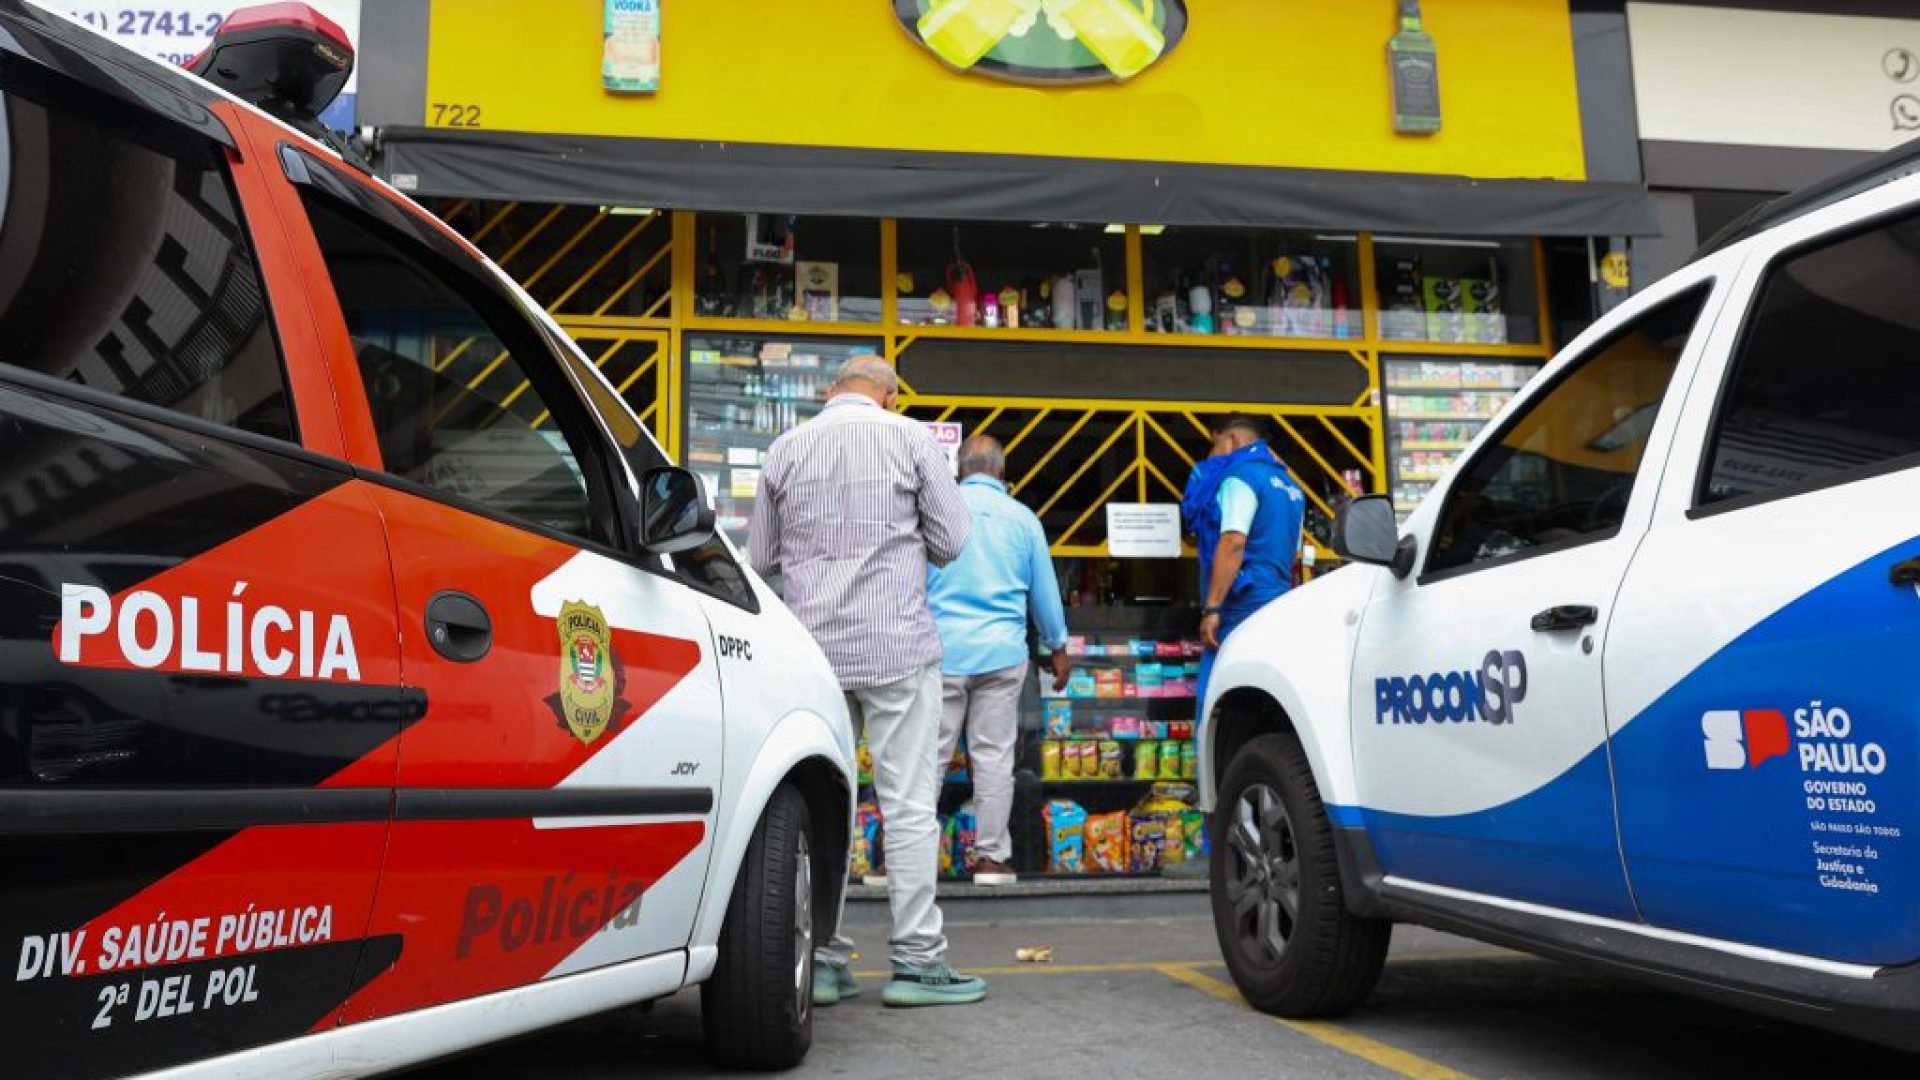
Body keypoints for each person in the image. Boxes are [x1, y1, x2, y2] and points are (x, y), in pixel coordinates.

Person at [747, 355, 988, 1009]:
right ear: (886, 393)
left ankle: (820, 958)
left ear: (832, 392)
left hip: (811, 659)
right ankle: (916, 961)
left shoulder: (786, 448)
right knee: (909, 807)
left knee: (824, 809)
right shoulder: (909, 438)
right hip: (898, 649)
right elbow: (953, 539)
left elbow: (761, 558)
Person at [927, 435, 1070, 887]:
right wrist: (1058, 647)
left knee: (926, 758)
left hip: (943, 652)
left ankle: (906, 860)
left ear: (960, 471)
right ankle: (990, 860)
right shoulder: (1023, 520)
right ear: (1002, 473)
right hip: (1002, 655)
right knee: (992, 758)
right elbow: (1044, 593)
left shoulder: (937, 513)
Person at [1187, 416, 1305, 710]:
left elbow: (1233, 541)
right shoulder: (1291, 487)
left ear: (1233, 440)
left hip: (1242, 603)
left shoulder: (1240, 478)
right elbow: (1293, 553)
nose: (1211, 455)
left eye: (1214, 445)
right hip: (1277, 602)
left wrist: (1213, 607)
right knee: (1266, 696)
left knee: (1215, 697)